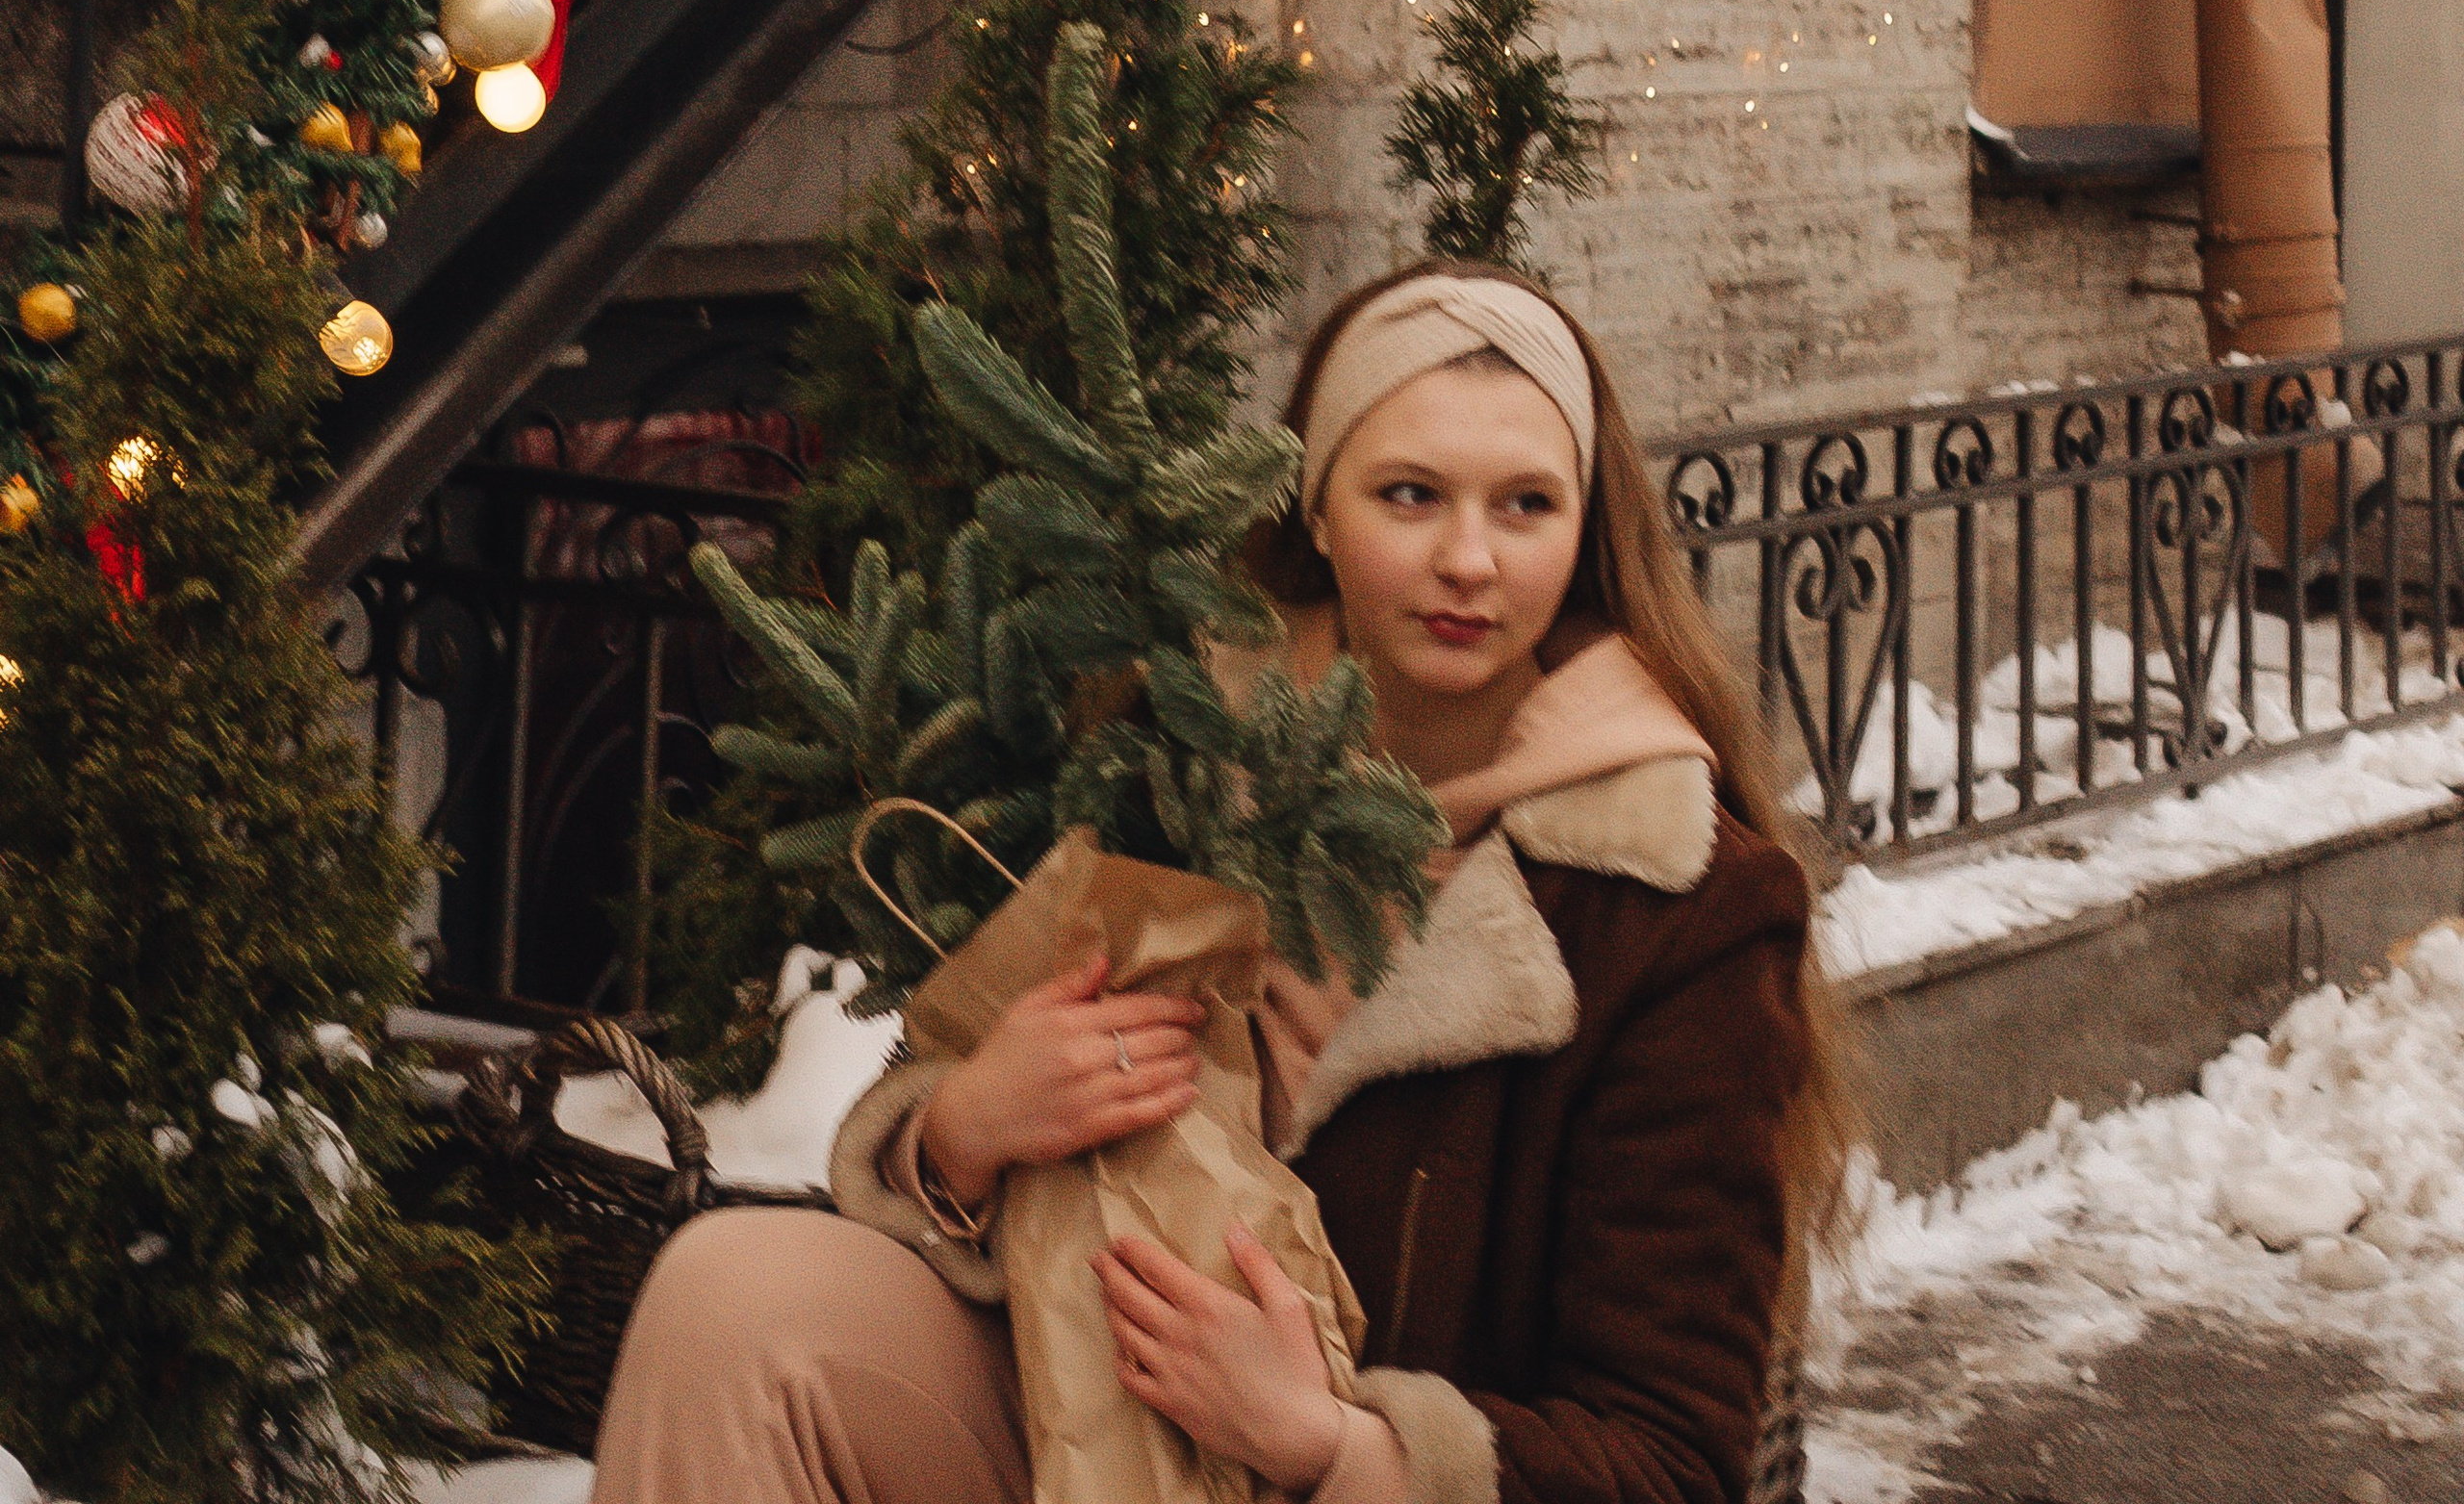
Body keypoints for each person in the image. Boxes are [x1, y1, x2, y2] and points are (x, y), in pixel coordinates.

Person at [595, 263, 1852, 1504]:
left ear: (1582, 531)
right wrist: (962, 1133)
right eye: (1410, 495)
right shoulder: (1187, 751)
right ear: (1313, 505)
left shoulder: (1679, 900)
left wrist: (1334, 1445)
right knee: (731, 1302)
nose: (1470, 559)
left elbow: (1673, 1461)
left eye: (1526, 505)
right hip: (1097, 1411)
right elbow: (988, 1148)